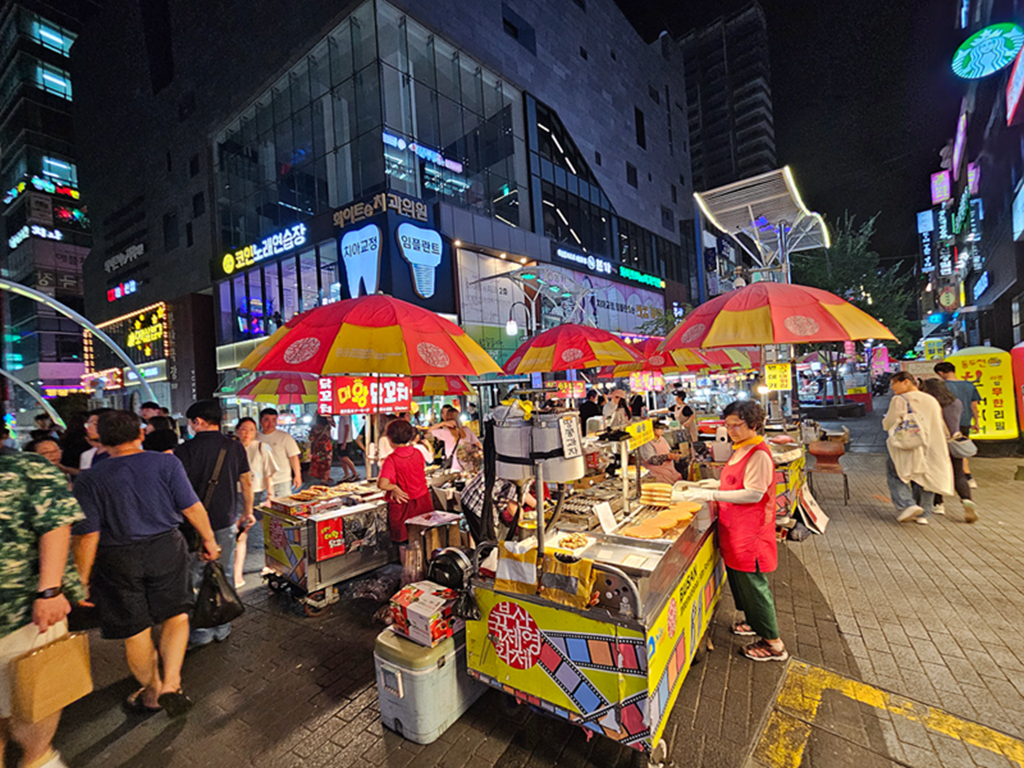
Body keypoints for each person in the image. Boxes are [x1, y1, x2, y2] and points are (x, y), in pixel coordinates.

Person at [73, 410, 220, 717]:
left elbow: (88, 536)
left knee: (136, 631)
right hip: (165, 548)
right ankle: (172, 683)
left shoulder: (89, 479)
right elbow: (192, 507)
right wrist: (209, 540)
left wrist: (81, 579)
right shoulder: (165, 463)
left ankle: (152, 692)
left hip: (116, 559)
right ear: (141, 434)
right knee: (176, 616)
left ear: (101, 438)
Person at [682, 401, 787, 662]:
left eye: (736, 425)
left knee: (753, 584)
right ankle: (754, 622)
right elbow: (735, 482)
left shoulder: (759, 453)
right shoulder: (741, 449)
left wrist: (712, 493)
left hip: (750, 531)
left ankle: (774, 644)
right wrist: (711, 484)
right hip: (734, 527)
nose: (730, 430)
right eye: (727, 425)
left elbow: (754, 492)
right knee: (740, 580)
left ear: (753, 424)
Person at [0, 450, 83, 768]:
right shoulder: (29, 467)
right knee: (23, 704)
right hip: (26, 614)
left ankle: (38, 758)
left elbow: (56, 526)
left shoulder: (26, 467)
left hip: (26, 614)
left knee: (33, 705)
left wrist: (49, 590)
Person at [174, 400, 252, 646]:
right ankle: (222, 626)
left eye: (190, 422)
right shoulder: (235, 447)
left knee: (196, 576)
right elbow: (246, 483)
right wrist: (246, 512)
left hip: (194, 526)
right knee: (224, 572)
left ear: (197, 421)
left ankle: (201, 633)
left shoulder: (184, 451)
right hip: (225, 521)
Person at [882, 372, 955, 525]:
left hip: (908, 444)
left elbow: (889, 422)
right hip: (933, 443)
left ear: (906, 382)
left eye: (894, 383)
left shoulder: (900, 399)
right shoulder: (931, 399)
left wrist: (885, 421)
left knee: (895, 472)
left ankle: (907, 504)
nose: (892, 387)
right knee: (926, 477)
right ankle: (924, 514)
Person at [919, 378, 978, 523]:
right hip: (954, 441)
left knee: (935, 473)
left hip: (936, 443)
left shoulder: (930, 404)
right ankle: (967, 500)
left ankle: (938, 504)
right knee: (959, 474)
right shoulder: (956, 403)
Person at [234, 417, 278, 588]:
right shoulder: (232, 449)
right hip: (237, 494)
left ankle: (271, 564)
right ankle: (237, 574)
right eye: (243, 429)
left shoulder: (261, 447)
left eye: (251, 429)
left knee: (267, 532)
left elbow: (269, 475)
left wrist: (270, 496)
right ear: (237, 430)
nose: (247, 433)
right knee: (240, 535)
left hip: (258, 494)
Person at [376, 419, 433, 546]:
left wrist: (394, 488)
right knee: (424, 540)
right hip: (423, 502)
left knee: (406, 545)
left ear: (389, 438)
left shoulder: (392, 459)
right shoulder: (417, 452)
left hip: (403, 506)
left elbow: (382, 484)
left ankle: (408, 566)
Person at [934, 362, 981, 488]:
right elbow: (974, 406)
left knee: (946, 451)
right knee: (961, 449)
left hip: (946, 423)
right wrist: (976, 422)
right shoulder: (969, 385)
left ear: (941, 373)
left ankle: (949, 478)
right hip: (965, 421)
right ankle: (968, 477)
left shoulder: (942, 386)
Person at [461, 471, 536, 536]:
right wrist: (525, 527)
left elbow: (522, 492)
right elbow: (512, 506)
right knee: (488, 546)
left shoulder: (527, 470)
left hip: (480, 494)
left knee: (491, 542)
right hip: (477, 499)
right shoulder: (524, 472)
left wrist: (539, 506)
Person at [257, 408, 302, 496]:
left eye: (274, 420)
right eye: (267, 420)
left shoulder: (284, 437)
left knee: (283, 505)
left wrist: (297, 475)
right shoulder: (255, 437)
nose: (270, 424)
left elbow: (293, 457)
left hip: (282, 479)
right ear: (260, 421)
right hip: (262, 480)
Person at [429, 405, 480, 472]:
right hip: (468, 465)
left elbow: (430, 430)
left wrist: (443, 423)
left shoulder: (446, 432)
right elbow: (478, 444)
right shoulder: (466, 430)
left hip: (454, 467)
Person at [308, 415, 335, 484]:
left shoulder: (314, 427)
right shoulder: (328, 426)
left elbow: (311, 438)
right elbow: (334, 424)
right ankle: (325, 478)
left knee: (318, 462)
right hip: (326, 446)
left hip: (317, 447)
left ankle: (321, 477)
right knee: (327, 463)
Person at [335, 416, 360, 482]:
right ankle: (347, 474)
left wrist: (344, 442)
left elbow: (347, 428)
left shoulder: (345, 416)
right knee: (341, 458)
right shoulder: (341, 417)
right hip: (341, 440)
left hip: (346, 441)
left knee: (344, 457)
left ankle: (355, 473)